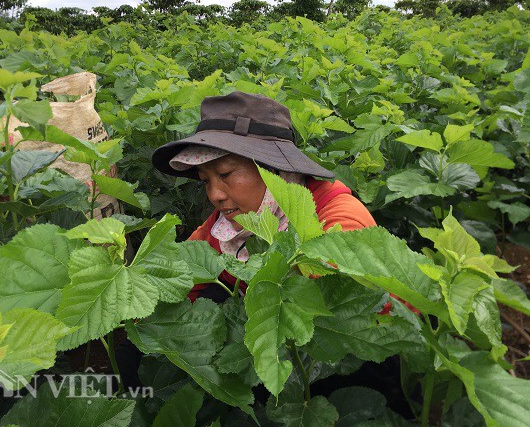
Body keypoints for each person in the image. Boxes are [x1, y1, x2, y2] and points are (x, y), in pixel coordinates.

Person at [150, 91, 376, 300]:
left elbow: (364, 314)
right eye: (205, 180)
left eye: (225, 174)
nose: (215, 195)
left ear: (273, 169)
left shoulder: (339, 222)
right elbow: (174, 280)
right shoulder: (226, 228)